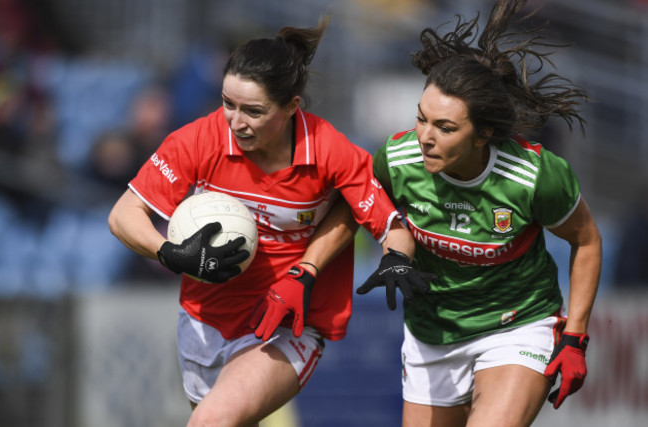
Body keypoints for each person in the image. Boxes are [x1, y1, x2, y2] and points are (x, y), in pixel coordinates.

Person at [108, 17, 430, 427]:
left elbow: (389, 226)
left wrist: (395, 259)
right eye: (228, 103)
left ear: (292, 106)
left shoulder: (330, 150)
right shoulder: (198, 140)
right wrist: (172, 253)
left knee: (211, 422)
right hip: (203, 320)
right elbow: (122, 215)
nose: (236, 122)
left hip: (287, 325)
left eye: (254, 111)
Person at [356, 1, 602, 426]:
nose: (425, 138)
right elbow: (370, 212)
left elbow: (587, 241)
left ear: (483, 134)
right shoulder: (396, 160)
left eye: (445, 128)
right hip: (432, 332)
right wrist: (393, 252)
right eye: (421, 119)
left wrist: (575, 337)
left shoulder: (533, 176)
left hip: (517, 325)